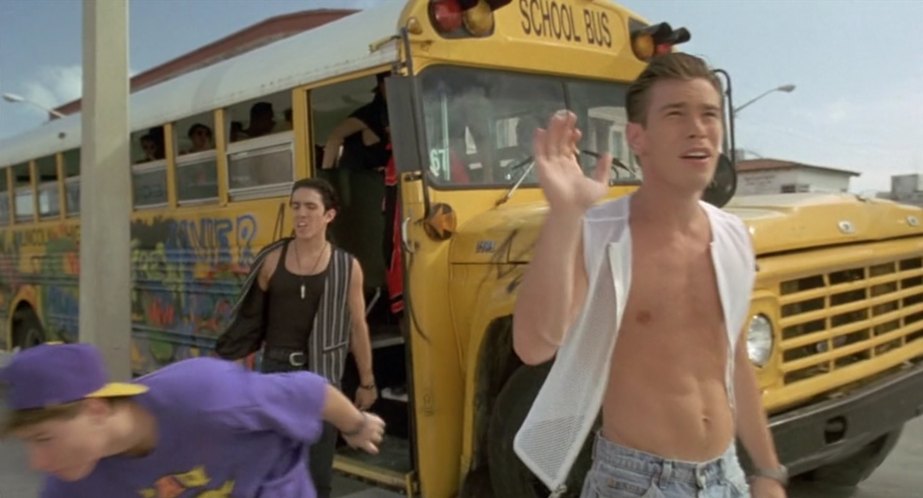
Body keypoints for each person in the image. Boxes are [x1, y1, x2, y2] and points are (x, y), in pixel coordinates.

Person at [512, 53, 786, 498]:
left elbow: (734, 360)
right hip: (637, 482)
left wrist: (769, 471)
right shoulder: (600, 233)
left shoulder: (733, 235)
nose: (698, 128)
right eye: (676, 113)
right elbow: (534, 344)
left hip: (727, 476)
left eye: (709, 114)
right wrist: (565, 213)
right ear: (637, 137)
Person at [0, 342, 385, 498]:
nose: (37, 462)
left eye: (43, 438)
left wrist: (356, 425)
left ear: (95, 409)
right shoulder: (70, 485)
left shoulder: (205, 397)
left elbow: (309, 391)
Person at [216, 177, 376, 498]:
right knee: (273, 466)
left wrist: (367, 381)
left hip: (323, 376)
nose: (301, 214)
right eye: (296, 207)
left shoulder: (347, 267)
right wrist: (224, 371)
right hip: (276, 372)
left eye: (310, 207)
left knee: (317, 474)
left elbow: (357, 327)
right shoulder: (271, 260)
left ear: (329, 215)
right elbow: (248, 322)